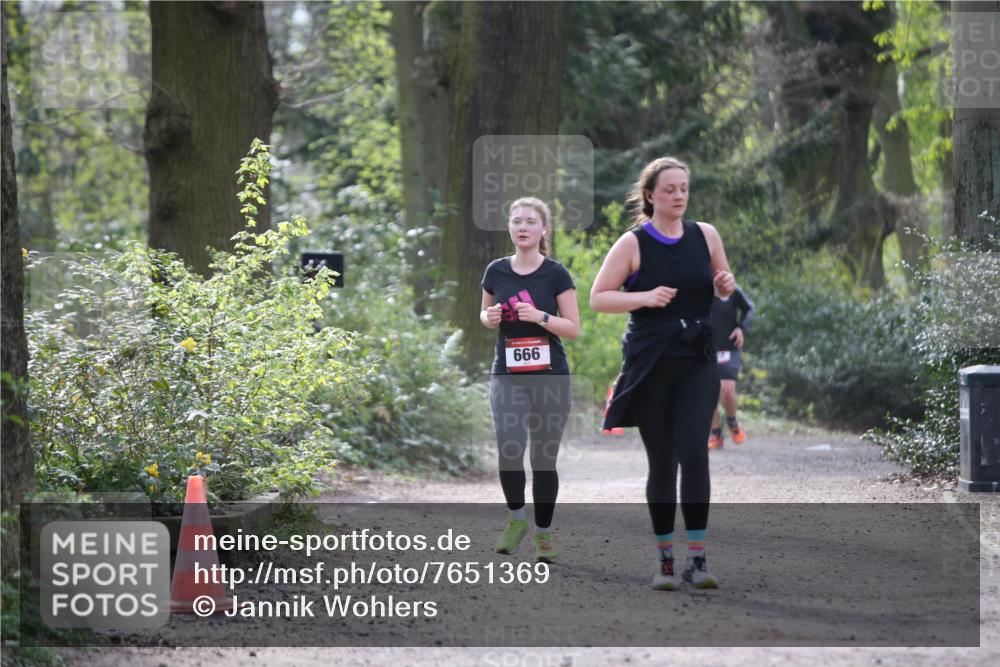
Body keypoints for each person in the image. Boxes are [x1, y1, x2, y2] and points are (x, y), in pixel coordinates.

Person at [590, 157, 735, 590]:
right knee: (663, 460)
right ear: (650, 195)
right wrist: (645, 297)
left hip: (697, 358)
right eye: (669, 189)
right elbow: (599, 298)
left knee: (694, 452)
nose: (678, 196)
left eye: (684, 188)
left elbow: (722, 282)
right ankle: (665, 560)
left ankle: (699, 558)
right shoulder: (633, 243)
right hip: (651, 361)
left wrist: (725, 285)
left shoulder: (705, 235)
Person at [480, 197, 580, 563]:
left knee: (543, 457)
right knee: (509, 448)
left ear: (543, 230)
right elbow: (484, 312)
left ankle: (544, 534)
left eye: (530, 221)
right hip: (507, 374)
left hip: (550, 376)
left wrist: (540, 316)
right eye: (516, 220)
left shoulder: (555, 273)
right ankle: (516, 519)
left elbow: (572, 328)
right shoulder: (496, 271)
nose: (522, 226)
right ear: (510, 227)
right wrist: (488, 317)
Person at [708, 286, 756, 449]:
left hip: (730, 347)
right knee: (709, 392)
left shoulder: (733, 290)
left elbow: (749, 309)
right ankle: (715, 434)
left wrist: (741, 328)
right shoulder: (700, 288)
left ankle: (732, 420)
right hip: (707, 348)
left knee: (727, 390)